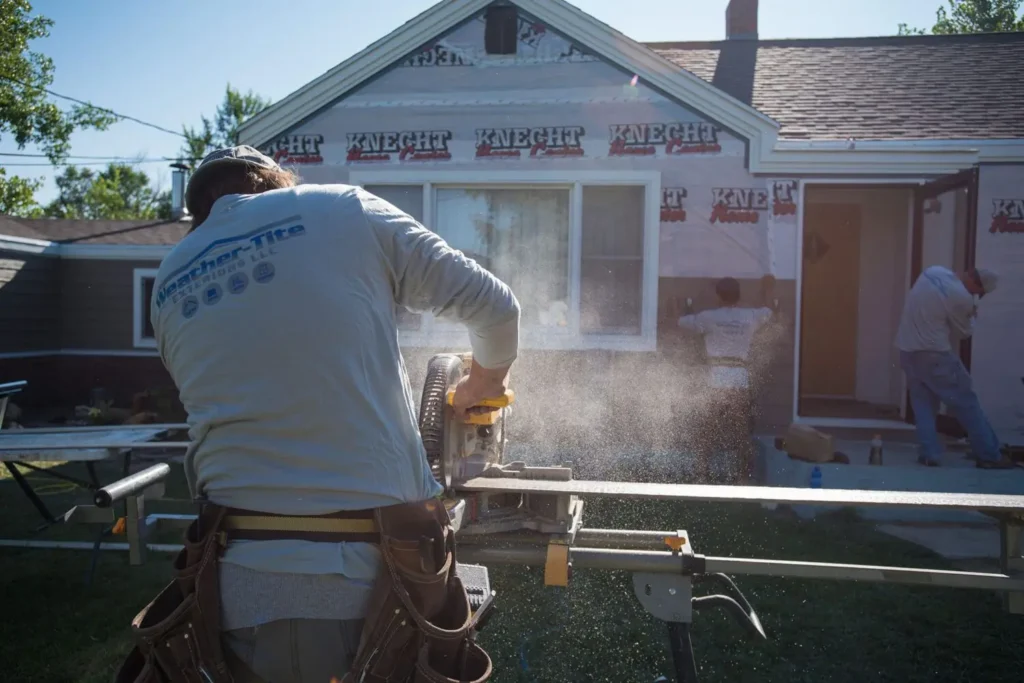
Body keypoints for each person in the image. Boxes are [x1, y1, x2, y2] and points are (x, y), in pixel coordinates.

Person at [143, 146, 520, 682]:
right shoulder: (340, 208)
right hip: (375, 584)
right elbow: (496, 308)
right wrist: (483, 384)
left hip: (229, 590)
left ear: (199, 211)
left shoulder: (169, 277)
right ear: (278, 184)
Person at [895, 265, 1012, 469]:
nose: (976, 296)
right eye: (979, 293)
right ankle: (989, 455)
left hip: (907, 351)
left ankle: (929, 454)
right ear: (977, 286)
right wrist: (972, 315)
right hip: (935, 355)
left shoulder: (934, 271)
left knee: (923, 405)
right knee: (966, 403)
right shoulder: (963, 298)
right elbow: (964, 333)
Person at [678, 275, 775, 483]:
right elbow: (768, 311)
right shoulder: (751, 315)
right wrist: (766, 289)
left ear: (718, 296)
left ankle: (702, 474)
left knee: (708, 429)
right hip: (739, 379)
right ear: (739, 296)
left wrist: (690, 302)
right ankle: (743, 478)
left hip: (716, 378)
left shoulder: (708, 317)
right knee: (741, 431)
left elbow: (683, 322)